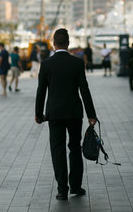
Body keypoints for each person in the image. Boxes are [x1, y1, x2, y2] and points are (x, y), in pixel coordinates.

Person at [35, 28, 97, 201]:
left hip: (54, 114)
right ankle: (76, 186)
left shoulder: (46, 64)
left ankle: (62, 189)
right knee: (75, 148)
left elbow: (41, 91)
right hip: (74, 113)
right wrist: (91, 114)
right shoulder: (77, 63)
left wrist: (38, 114)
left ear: (53, 44)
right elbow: (84, 90)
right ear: (68, 43)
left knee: (58, 150)